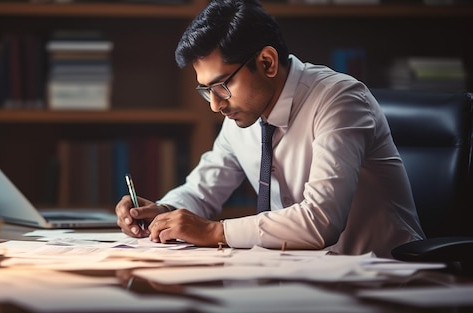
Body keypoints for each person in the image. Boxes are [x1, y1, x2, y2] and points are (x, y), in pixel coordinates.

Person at [114, 0, 425, 258]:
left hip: (384, 277)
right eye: (206, 90)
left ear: (267, 63)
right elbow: (202, 190)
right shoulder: (243, 113)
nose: (214, 105)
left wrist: (213, 231)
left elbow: (321, 221)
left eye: (221, 86)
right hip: (303, 281)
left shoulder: (339, 100)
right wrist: (163, 213)